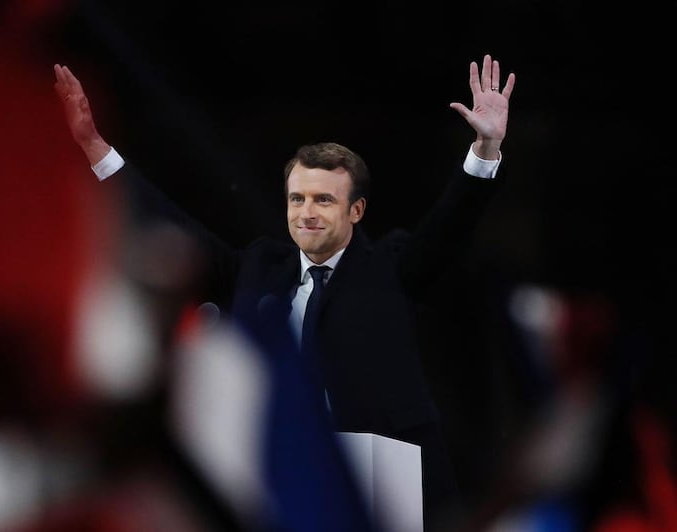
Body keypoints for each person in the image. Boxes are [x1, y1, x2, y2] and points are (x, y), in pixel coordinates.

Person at [53, 54, 515, 531]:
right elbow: (171, 223)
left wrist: (485, 148)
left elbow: (449, 228)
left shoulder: (392, 265)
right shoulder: (257, 265)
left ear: (355, 211)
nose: (307, 212)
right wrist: (94, 147)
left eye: (324, 200)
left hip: (380, 476)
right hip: (272, 471)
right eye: (298, 199)